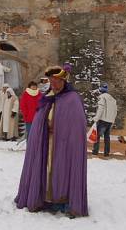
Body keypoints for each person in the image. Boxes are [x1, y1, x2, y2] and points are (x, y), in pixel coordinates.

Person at [14, 65, 88, 217]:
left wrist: (61, 128)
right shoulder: (47, 97)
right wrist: (42, 128)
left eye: (56, 81)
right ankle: (44, 199)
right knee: (45, 169)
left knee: (61, 169)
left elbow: (77, 124)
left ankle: (62, 201)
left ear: (63, 81)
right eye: (51, 80)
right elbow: (39, 118)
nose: (53, 84)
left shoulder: (72, 99)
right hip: (45, 142)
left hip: (64, 144)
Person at [92, 83, 118, 157]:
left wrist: (96, 118)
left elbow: (100, 109)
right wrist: (112, 120)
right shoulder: (113, 99)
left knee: (97, 136)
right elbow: (115, 111)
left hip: (102, 120)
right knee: (107, 138)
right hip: (110, 121)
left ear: (100, 90)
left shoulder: (102, 97)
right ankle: (106, 154)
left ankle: (95, 153)